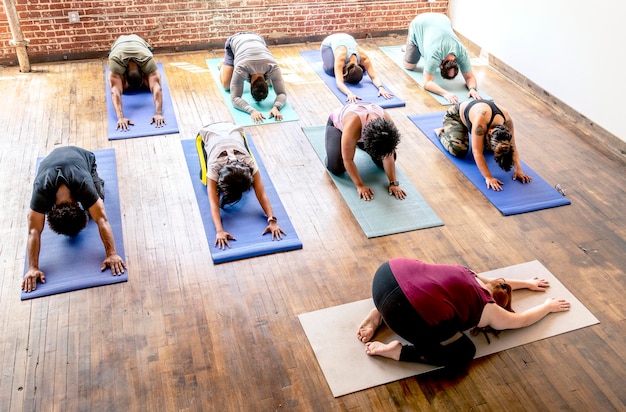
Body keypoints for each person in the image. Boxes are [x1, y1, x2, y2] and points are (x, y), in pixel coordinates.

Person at [356, 258, 571, 375]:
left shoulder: (470, 274)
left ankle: (378, 312)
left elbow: (498, 280)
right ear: (499, 304)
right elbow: (523, 319)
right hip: (402, 312)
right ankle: (399, 352)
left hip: (385, 276)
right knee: (463, 353)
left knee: (425, 287)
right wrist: (547, 307)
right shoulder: (493, 311)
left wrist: (527, 283)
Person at [23, 146, 127, 293]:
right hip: (49, 162)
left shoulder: (83, 185)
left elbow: (102, 219)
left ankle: (97, 181)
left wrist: (112, 254)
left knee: (98, 201)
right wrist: (32, 268)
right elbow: (33, 231)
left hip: (84, 157)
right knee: (94, 207)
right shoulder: (42, 190)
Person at [198, 122, 286, 249]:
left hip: (234, 129)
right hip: (207, 132)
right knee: (205, 179)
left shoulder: (249, 162)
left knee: (243, 182)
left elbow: (261, 194)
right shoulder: (214, 166)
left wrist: (272, 220)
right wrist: (219, 230)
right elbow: (213, 202)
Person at [435, 99, 532, 191]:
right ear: (489, 132)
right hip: (456, 116)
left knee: (497, 148)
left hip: (477, 119)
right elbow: (477, 152)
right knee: (459, 150)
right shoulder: (480, 124)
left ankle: (472, 136)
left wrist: (519, 169)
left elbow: (513, 146)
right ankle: (441, 133)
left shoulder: (507, 121)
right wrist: (488, 177)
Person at [325, 102, 406, 201]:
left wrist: (393, 183)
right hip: (337, 127)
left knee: (388, 157)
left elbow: (388, 156)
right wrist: (360, 185)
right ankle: (340, 147)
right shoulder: (353, 125)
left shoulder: (388, 125)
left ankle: (355, 144)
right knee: (336, 167)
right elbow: (348, 159)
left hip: (364, 133)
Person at [404, 13, 482, 104]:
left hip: (443, 19)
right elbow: (426, 83)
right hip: (419, 23)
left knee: (428, 56)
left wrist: (473, 89)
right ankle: (408, 47)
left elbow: (470, 77)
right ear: (440, 66)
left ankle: (423, 48)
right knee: (409, 66)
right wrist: (445, 93)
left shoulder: (462, 52)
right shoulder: (434, 54)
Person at [218, 32, 287, 124]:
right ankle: (223, 64)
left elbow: (282, 93)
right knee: (226, 85)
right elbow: (234, 99)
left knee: (274, 81)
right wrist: (252, 111)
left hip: (257, 40)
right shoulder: (241, 70)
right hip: (235, 41)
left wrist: (276, 107)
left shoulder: (273, 68)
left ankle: (231, 65)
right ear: (250, 86)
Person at [107, 34, 165, 131]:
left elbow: (115, 91)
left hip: (139, 43)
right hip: (119, 46)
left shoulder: (147, 60)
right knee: (154, 80)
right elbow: (157, 87)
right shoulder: (116, 62)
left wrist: (159, 113)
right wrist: (120, 117)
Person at [320, 33, 394, 103]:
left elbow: (373, 77)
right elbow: (339, 82)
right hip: (329, 43)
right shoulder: (341, 58)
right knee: (331, 70)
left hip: (347, 37)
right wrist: (349, 93)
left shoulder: (364, 58)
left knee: (364, 68)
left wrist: (381, 88)